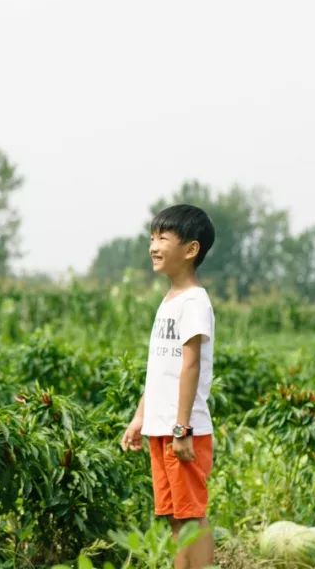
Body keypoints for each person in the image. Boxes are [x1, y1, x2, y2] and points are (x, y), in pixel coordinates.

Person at [120, 204, 217, 569]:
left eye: (163, 237)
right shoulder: (170, 300)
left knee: (192, 515)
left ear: (190, 249)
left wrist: (182, 428)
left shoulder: (195, 302)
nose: (153, 246)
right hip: (162, 428)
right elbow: (160, 369)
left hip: (183, 430)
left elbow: (190, 366)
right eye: (151, 237)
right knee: (176, 516)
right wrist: (140, 417)